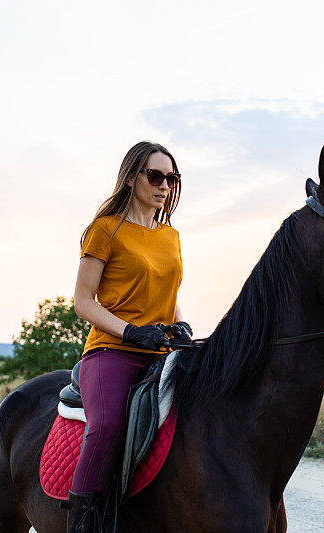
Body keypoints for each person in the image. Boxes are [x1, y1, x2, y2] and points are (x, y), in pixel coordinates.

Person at [66, 141, 191, 532]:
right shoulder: (105, 230)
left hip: (163, 350)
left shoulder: (170, 236)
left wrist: (181, 326)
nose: (164, 186)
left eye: (171, 178)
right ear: (132, 177)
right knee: (107, 426)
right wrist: (131, 332)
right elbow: (83, 301)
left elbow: (166, 295)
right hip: (112, 351)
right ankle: (82, 523)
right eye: (155, 176)